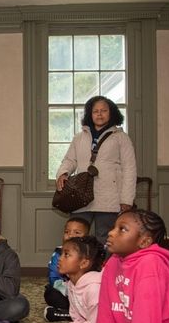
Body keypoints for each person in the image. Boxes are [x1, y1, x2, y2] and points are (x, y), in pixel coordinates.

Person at [55, 95, 137, 244]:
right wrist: (63, 173)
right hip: (81, 196)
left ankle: (105, 268)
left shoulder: (121, 138)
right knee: (76, 237)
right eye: (95, 111)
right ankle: (79, 267)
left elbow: (130, 169)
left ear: (111, 113)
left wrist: (126, 199)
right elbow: (69, 160)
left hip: (110, 198)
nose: (99, 114)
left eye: (104, 110)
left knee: (106, 239)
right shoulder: (79, 137)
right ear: (89, 114)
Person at [30, 236, 105, 323]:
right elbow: (78, 320)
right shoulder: (72, 284)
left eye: (66, 255)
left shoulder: (94, 289)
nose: (60, 258)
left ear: (84, 263)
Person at [43, 216, 90, 322]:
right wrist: (67, 289)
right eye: (67, 232)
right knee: (50, 293)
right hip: (66, 293)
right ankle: (71, 313)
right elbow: (53, 276)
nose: (71, 235)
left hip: (86, 295)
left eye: (77, 233)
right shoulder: (59, 253)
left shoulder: (90, 255)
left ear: (87, 237)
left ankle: (67, 314)